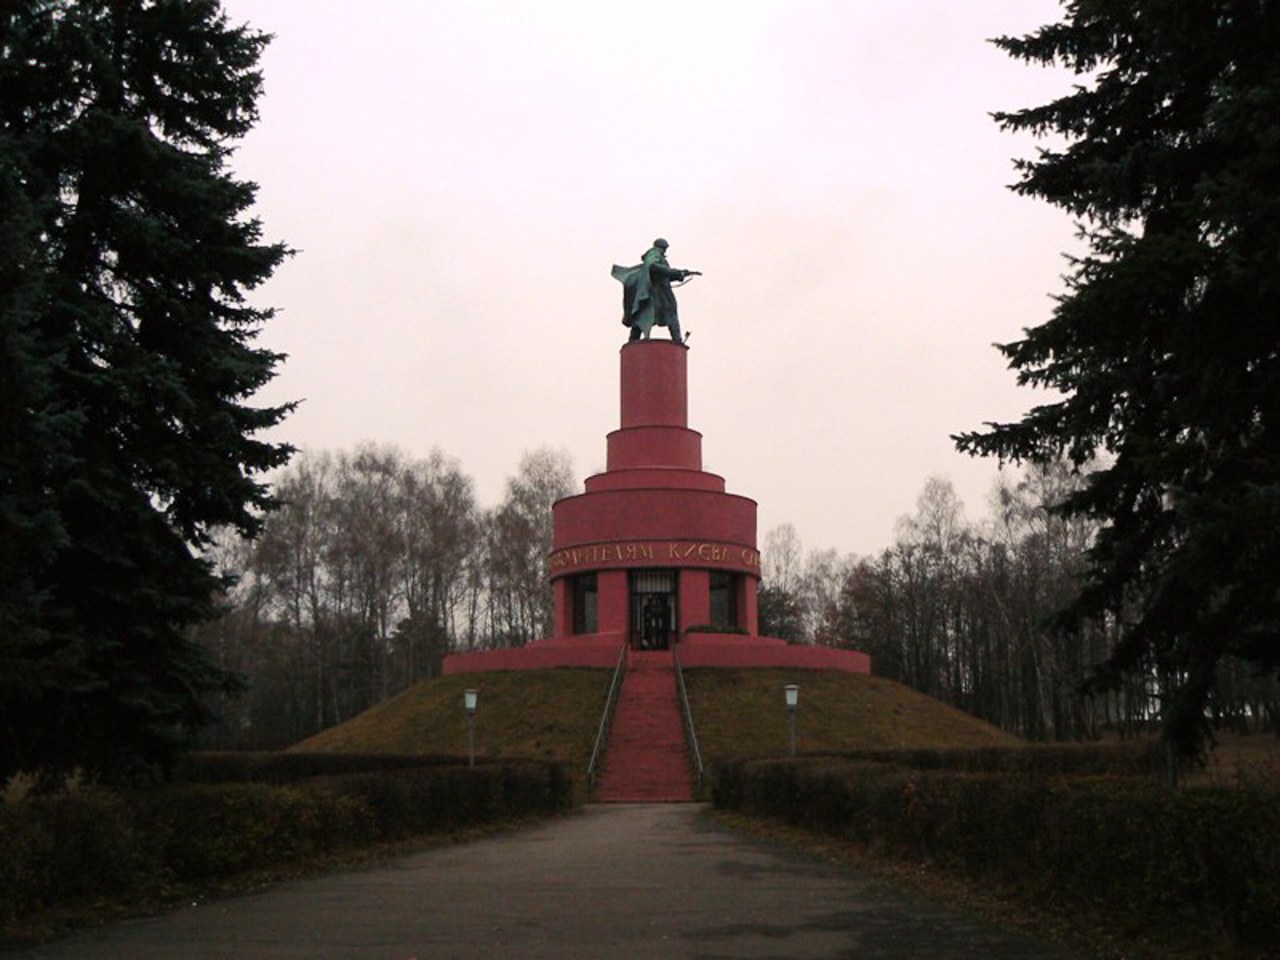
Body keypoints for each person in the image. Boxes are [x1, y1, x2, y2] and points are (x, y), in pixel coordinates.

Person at [611, 238, 699, 342]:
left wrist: (680, 274)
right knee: (668, 315)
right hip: (658, 293)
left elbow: (662, 275)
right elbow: (652, 266)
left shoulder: (657, 255)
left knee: (644, 316)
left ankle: (633, 341)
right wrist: (675, 272)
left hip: (658, 292)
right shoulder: (654, 253)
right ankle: (677, 340)